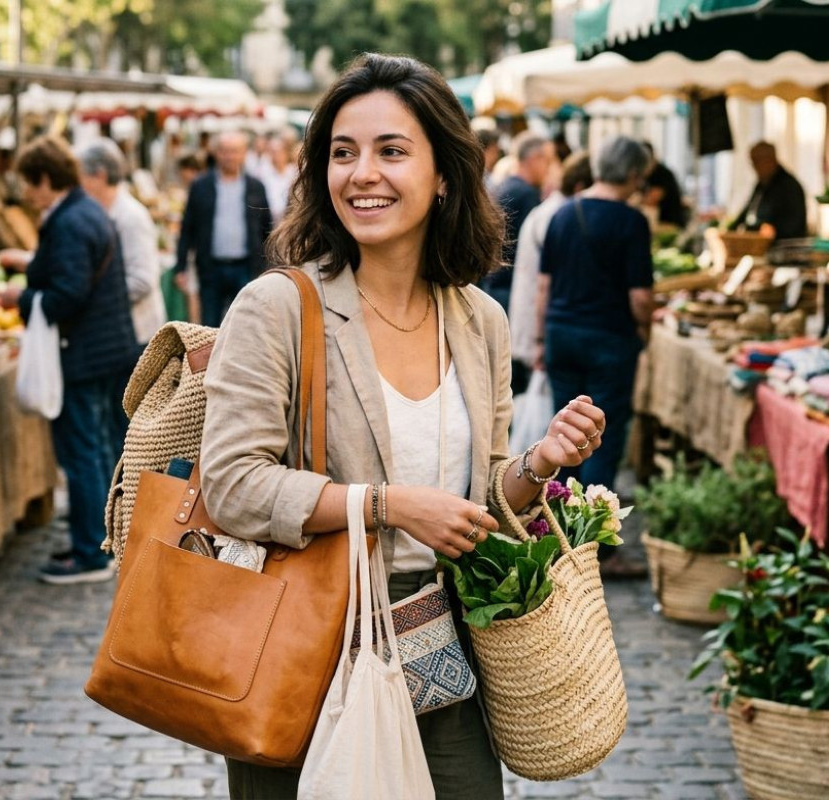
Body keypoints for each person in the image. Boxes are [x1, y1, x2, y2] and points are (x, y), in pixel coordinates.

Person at [200, 52, 608, 799]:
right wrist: (386, 506)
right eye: (343, 153)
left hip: (438, 640)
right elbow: (233, 486)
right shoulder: (279, 308)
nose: (363, 174)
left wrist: (538, 464)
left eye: (391, 151)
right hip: (306, 644)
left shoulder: (478, 321)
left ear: (444, 173)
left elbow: (481, 502)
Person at [2, 137, 140, 584]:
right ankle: (99, 540)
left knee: (81, 451)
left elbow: (68, 293)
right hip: (104, 348)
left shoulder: (69, 221)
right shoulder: (87, 211)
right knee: (95, 448)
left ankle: (90, 552)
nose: (27, 193)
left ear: (46, 179)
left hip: (84, 351)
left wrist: (21, 298)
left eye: (30, 183)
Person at [536, 136, 655, 497]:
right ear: (633, 174)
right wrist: (645, 330)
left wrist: (540, 340)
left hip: (561, 335)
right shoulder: (632, 221)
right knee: (602, 435)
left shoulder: (561, 214)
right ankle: (593, 524)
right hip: (610, 340)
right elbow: (641, 297)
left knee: (564, 433)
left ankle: (559, 516)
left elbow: (543, 288)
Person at [174, 130, 273, 327]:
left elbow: (266, 228)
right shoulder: (201, 186)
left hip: (246, 267)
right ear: (216, 153)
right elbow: (187, 227)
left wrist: (269, 266)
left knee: (245, 324)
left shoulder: (256, 187)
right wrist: (181, 266)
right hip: (211, 267)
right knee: (210, 325)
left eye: (235, 151)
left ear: (244, 153)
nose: (230, 156)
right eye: (225, 151)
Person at [508, 152, 593, 373]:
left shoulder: (553, 210)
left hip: (539, 320)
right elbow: (545, 282)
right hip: (542, 322)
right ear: (580, 187)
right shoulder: (561, 214)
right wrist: (540, 339)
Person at [77, 139, 167, 345]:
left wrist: (95, 300)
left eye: (81, 176)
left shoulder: (131, 217)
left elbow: (142, 281)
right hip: (118, 329)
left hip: (137, 332)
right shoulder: (103, 212)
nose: (78, 184)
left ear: (100, 176)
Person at [484, 132, 552, 314]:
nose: (549, 168)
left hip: (494, 283)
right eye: (547, 161)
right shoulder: (526, 194)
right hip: (510, 288)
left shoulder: (505, 186)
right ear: (534, 159)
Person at [732, 141, 807, 240]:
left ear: (770, 160)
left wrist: (773, 230)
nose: (754, 167)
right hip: (757, 240)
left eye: (757, 162)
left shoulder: (789, 186)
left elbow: (793, 223)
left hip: (783, 244)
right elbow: (748, 209)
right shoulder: (762, 183)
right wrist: (730, 229)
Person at [641, 142, 687, 229]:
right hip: (659, 222)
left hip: (670, 223)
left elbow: (652, 199)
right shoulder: (647, 175)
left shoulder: (662, 174)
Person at [261, 131, 299, 223]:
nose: (277, 155)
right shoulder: (262, 173)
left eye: (279, 152)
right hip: (268, 219)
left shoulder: (294, 172)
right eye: (273, 152)